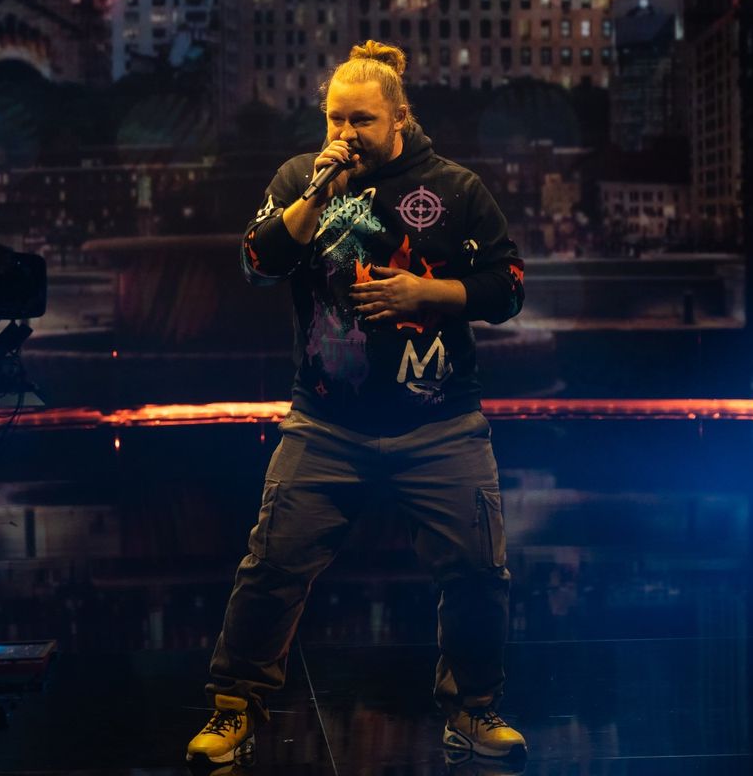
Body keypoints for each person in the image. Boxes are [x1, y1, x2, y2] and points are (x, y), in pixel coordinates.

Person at [187, 41, 528, 766]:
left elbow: (508, 287)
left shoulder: (455, 187)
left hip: (440, 423)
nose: (345, 134)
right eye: (335, 119)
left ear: (400, 118)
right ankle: (233, 709)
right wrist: (316, 196)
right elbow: (256, 263)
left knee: (477, 573)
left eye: (362, 121)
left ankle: (473, 710)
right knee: (271, 569)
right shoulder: (299, 180)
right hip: (326, 423)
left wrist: (428, 293)